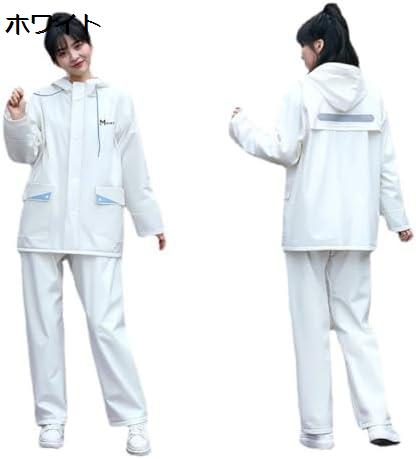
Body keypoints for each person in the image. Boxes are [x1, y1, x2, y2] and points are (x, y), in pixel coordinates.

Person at [229, 2, 412, 450]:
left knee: (310, 330)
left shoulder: (302, 91)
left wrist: (239, 126)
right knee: (357, 326)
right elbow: (386, 164)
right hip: (356, 229)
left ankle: (318, 432)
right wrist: (398, 219)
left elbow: (283, 150)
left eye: (304, 50)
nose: (302, 58)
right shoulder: (373, 94)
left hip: (308, 228)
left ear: (319, 44)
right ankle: (379, 422)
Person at [3, 12, 165, 455]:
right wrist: (16, 118)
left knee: (106, 325)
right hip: (42, 226)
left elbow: (133, 162)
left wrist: (149, 220)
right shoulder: (40, 99)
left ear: (89, 42)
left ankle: (134, 419)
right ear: (54, 59)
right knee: (43, 328)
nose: (73, 56)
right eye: (62, 52)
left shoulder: (118, 100)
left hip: (98, 225)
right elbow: (24, 154)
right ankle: (51, 420)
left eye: (78, 45)